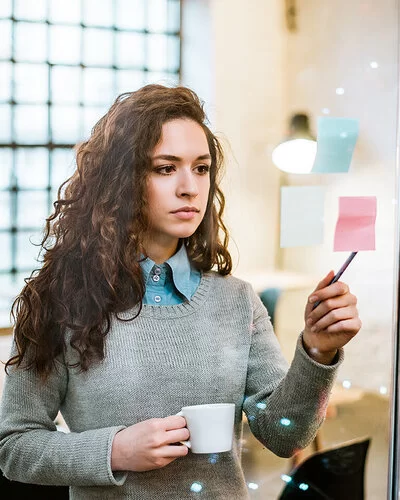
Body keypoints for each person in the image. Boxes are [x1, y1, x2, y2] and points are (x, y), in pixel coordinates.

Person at [0, 84, 361, 499]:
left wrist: (317, 352)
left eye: (202, 168)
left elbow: (286, 437)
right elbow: (14, 446)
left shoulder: (237, 302)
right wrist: (114, 451)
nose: (190, 187)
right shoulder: (60, 303)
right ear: (122, 180)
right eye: (165, 168)